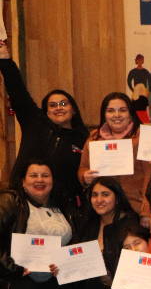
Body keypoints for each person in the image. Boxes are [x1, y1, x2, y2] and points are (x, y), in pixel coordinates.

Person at [0, 39, 89, 207]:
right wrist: (5, 61)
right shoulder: (34, 122)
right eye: (52, 105)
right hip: (21, 202)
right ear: (46, 111)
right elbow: (18, 93)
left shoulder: (85, 139)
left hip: (60, 207)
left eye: (64, 104)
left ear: (74, 109)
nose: (58, 108)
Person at [0, 162, 76, 289]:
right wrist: (14, 268)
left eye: (45, 175)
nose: (40, 180)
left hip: (53, 270)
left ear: (52, 180)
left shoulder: (61, 203)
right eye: (34, 175)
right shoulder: (9, 201)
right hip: (14, 273)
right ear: (23, 181)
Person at [72, 177, 140, 289]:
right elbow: (77, 257)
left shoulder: (131, 224)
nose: (99, 200)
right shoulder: (90, 223)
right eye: (94, 195)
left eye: (105, 194)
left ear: (117, 198)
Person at [78, 92, 151, 222]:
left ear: (130, 114)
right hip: (103, 210)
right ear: (104, 115)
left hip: (134, 208)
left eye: (122, 110)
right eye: (111, 111)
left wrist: (146, 211)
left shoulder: (143, 137)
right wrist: (85, 176)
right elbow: (82, 168)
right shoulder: (94, 138)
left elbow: (150, 176)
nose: (116, 115)